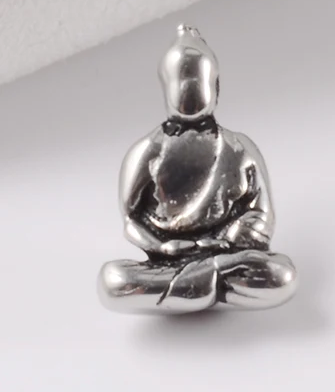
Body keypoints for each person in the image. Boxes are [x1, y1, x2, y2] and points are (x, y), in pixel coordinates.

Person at [99, 26, 297, 311]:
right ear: (166, 88)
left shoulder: (239, 149)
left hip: (225, 256)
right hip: (167, 260)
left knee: (282, 275)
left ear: (216, 87)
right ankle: (204, 285)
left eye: (197, 82)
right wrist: (163, 247)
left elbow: (261, 214)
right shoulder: (144, 153)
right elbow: (132, 220)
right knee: (114, 280)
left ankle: (189, 288)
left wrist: (223, 241)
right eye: (181, 83)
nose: (189, 92)